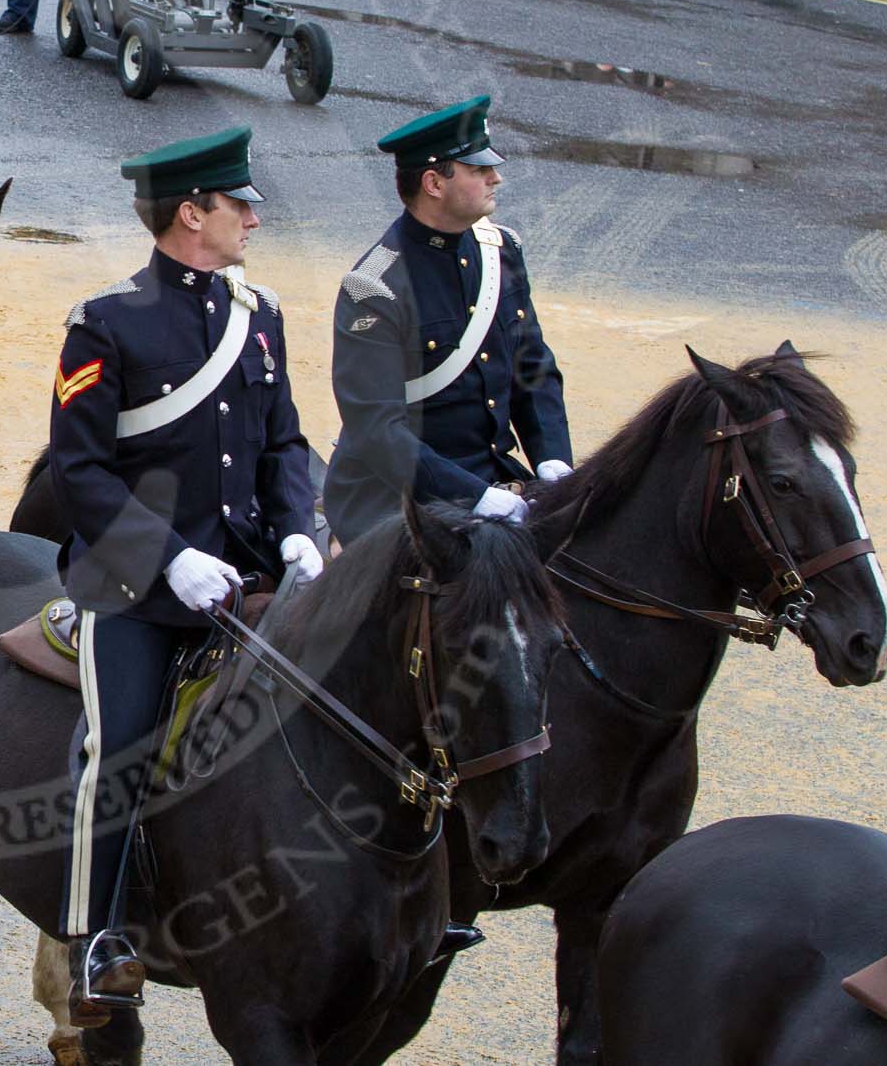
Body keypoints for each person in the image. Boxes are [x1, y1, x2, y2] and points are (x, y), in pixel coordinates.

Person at [48, 125, 320, 1024]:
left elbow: (285, 439)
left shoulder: (260, 312)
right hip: (136, 591)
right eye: (237, 201)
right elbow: (78, 472)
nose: (253, 215)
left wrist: (294, 531)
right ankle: (95, 939)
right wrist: (171, 557)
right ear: (189, 212)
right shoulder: (107, 321)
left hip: (248, 578)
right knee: (118, 747)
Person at [323, 96, 572, 548]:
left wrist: (553, 459)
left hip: (495, 482)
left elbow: (532, 367)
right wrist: (475, 497)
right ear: (434, 182)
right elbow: (377, 429)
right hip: (401, 500)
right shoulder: (373, 287)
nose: (496, 177)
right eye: (478, 170)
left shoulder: (502, 251)